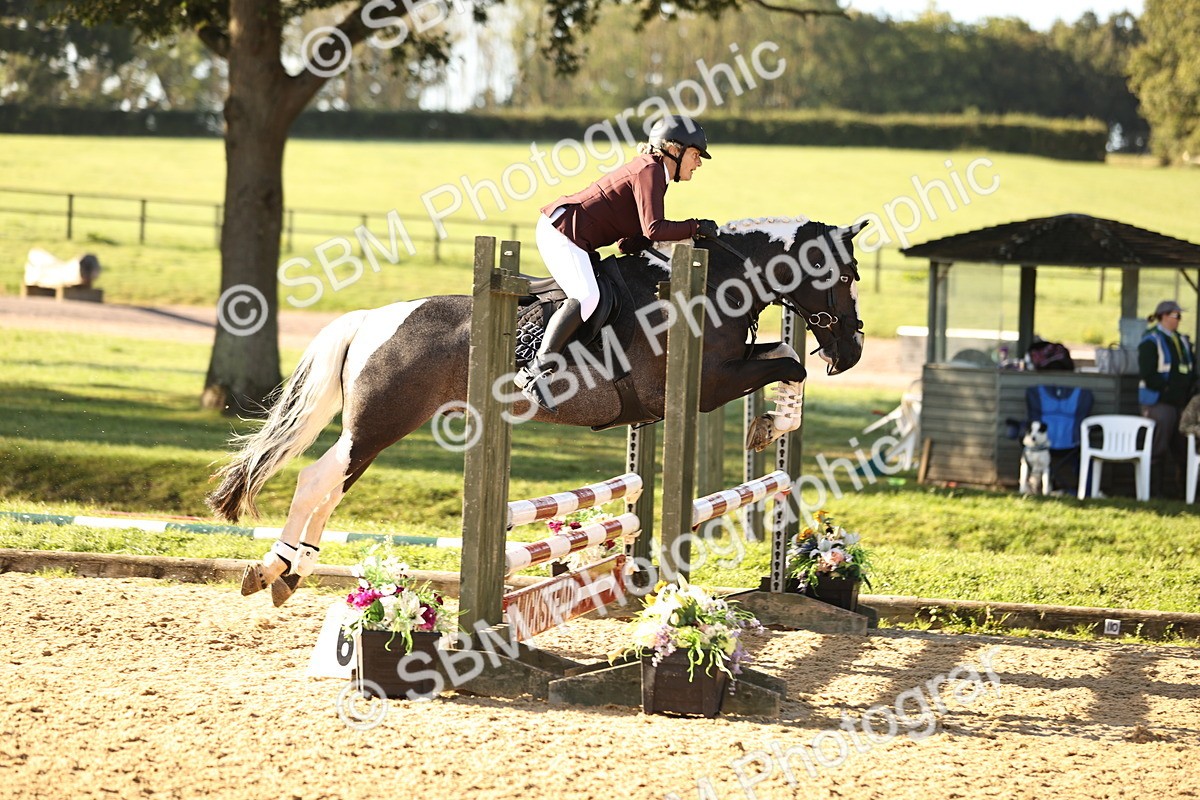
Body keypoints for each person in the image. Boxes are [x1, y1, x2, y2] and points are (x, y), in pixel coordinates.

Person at [513, 116, 719, 411]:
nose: (698, 163)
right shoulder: (650, 170)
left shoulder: (653, 173)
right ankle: (535, 371)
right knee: (588, 296)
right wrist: (695, 227)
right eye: (696, 155)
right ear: (675, 149)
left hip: (571, 235)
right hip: (562, 232)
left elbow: (630, 241)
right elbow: (654, 229)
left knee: (594, 294)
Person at [1138, 300, 1197, 496]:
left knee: (1184, 447)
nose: (1179, 320)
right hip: (1159, 402)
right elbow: (1148, 373)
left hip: (1180, 403)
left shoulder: (1182, 341)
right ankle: (1155, 492)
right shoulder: (1151, 340)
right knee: (1158, 447)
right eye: (1176, 316)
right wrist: (1167, 391)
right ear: (1163, 316)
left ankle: (1184, 493)